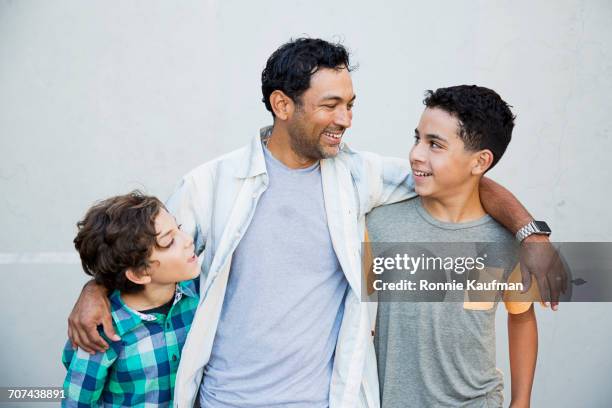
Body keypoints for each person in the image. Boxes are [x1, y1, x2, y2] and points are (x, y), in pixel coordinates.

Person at [66, 38, 556, 407]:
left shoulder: (357, 175)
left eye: (349, 104)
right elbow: (143, 253)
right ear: (283, 105)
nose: (345, 119)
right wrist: (95, 289)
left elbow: (460, 179)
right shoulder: (211, 184)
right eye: (329, 105)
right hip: (226, 399)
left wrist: (529, 233)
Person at [367, 85, 538, 407]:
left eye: (435, 145)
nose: (416, 153)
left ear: (479, 162)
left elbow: (522, 316)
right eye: (417, 138)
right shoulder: (380, 226)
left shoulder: (503, 242)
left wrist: (522, 401)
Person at [62, 192, 200, 407]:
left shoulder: (200, 294)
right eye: (170, 240)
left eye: (179, 228)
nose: (188, 240)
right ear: (139, 273)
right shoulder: (103, 335)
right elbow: (78, 402)